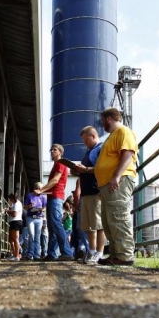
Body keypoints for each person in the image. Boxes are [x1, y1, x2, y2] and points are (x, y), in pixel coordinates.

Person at [93, 108, 138, 266]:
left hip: (118, 180)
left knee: (118, 217)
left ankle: (125, 255)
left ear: (109, 118)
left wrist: (117, 176)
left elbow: (128, 153)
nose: (101, 123)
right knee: (109, 220)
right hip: (108, 183)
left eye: (102, 119)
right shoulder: (112, 136)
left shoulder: (123, 132)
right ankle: (115, 254)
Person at [73, 126, 107, 264]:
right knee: (89, 225)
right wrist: (78, 171)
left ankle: (99, 253)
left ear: (93, 136)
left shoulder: (100, 149)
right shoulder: (89, 152)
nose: (85, 143)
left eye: (86, 140)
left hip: (95, 191)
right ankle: (91, 251)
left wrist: (85, 169)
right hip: (86, 193)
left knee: (98, 224)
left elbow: (103, 168)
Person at [34, 144, 74, 261]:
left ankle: (67, 252)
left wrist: (41, 190)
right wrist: (43, 193)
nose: (52, 151)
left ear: (60, 152)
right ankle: (52, 253)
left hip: (56, 197)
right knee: (52, 227)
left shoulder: (61, 163)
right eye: (51, 150)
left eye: (54, 150)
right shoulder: (56, 165)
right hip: (52, 197)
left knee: (56, 224)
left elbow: (55, 180)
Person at [24, 182, 47, 260]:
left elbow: (45, 207)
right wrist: (30, 206)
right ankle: (30, 254)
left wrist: (41, 209)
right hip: (30, 217)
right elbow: (25, 207)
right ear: (35, 189)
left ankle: (37, 255)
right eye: (38, 188)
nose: (39, 190)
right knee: (31, 235)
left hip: (39, 217)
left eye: (40, 188)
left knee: (37, 237)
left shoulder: (43, 196)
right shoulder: (29, 196)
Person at [5, 193, 23, 261]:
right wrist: (10, 209)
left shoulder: (16, 204)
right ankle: (14, 254)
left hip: (16, 221)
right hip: (14, 222)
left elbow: (14, 214)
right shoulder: (16, 204)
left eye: (10, 199)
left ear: (12, 199)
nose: (10, 200)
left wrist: (7, 211)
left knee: (15, 239)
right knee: (11, 239)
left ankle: (17, 256)